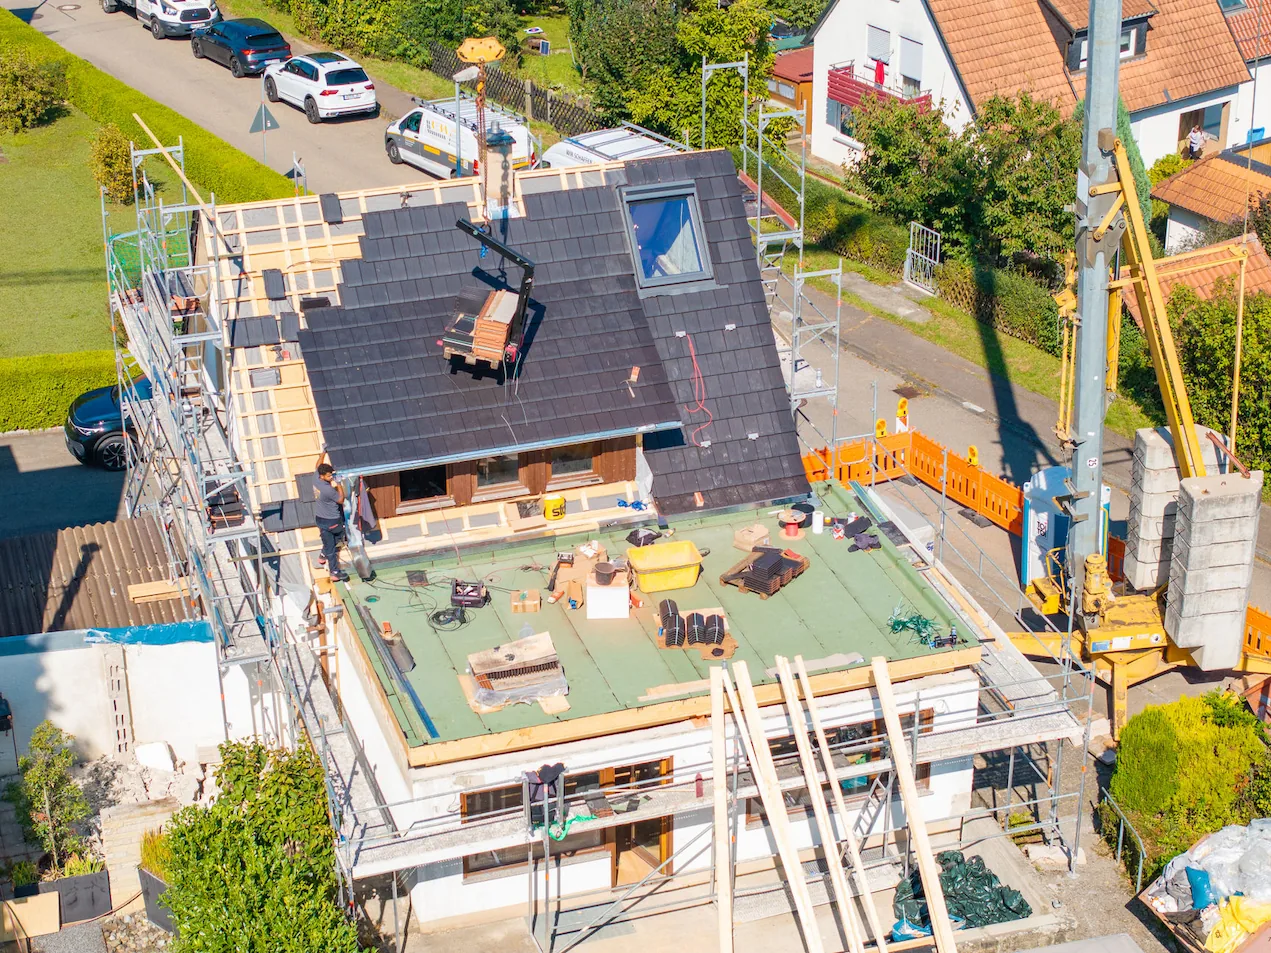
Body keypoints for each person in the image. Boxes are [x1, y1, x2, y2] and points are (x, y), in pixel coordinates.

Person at [314, 451, 349, 582]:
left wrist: (323, 452)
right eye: (329, 476)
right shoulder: (327, 489)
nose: (331, 477)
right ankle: (334, 572)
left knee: (327, 538)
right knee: (336, 540)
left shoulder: (316, 478)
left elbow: (318, 464)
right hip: (331, 520)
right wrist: (338, 484)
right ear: (322, 476)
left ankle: (322, 556)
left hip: (320, 518)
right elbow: (340, 500)